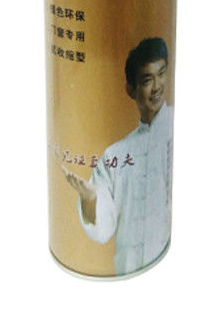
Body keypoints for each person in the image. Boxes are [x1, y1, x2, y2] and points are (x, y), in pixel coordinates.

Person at [62, 37, 173, 275]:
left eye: (161, 74)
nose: (156, 87)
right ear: (130, 89)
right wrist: (90, 198)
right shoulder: (115, 155)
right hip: (125, 267)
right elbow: (103, 230)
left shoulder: (174, 127)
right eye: (147, 80)